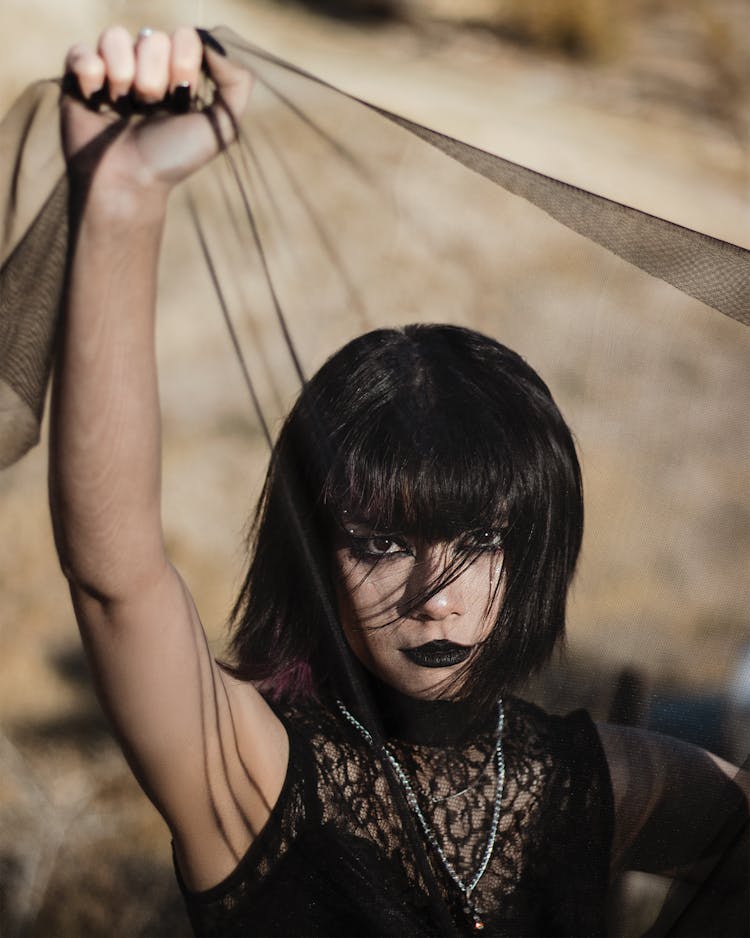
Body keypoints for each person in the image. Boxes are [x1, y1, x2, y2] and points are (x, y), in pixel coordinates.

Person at [51, 26, 748, 937]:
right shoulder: (252, 780)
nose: (437, 597)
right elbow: (116, 581)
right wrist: (123, 202)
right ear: (312, 551)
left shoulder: (599, 785)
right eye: (380, 543)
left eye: (479, 540)